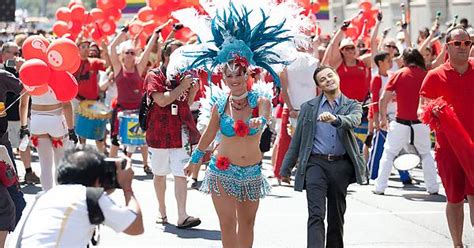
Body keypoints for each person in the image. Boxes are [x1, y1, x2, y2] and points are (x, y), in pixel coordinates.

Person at [180, 2, 300, 246]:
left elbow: (265, 118)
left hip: (252, 172)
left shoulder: (261, 100)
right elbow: (208, 136)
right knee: (227, 224)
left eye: (239, 74)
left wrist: (261, 121)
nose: (234, 79)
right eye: (229, 75)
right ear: (223, 77)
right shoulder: (220, 104)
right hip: (222, 171)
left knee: (247, 224)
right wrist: (194, 162)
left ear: (248, 74)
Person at [280, 65, 366, 247]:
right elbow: (298, 140)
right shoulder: (309, 107)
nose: (328, 80)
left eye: (330, 76)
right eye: (322, 79)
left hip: (341, 166)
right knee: (316, 214)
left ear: (337, 76)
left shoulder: (353, 105)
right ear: (319, 86)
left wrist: (336, 120)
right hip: (315, 165)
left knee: (336, 217)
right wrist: (286, 168)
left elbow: (354, 121)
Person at [18, 146, 143, 247]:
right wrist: (127, 187)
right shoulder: (87, 197)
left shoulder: (45, 197)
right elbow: (135, 227)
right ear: (97, 180)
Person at [419, 27, 473, 247]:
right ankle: (458, 244)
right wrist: (432, 112)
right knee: (454, 199)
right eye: (457, 43)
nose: (463, 47)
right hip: (449, 149)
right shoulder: (434, 76)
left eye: (467, 43)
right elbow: (420, 110)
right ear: (448, 46)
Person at [144, 39, 202, 228]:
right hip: (159, 134)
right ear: (167, 56)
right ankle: (162, 211)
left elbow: (186, 101)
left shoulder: (184, 76)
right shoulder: (154, 75)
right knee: (160, 174)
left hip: (180, 131)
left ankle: (182, 215)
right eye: (178, 54)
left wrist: (193, 89)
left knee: (180, 173)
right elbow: (161, 100)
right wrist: (183, 87)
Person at [373, 48, 439, 195]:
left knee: (389, 154)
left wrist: (383, 118)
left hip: (401, 122)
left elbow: (384, 98)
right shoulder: (426, 75)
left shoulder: (398, 74)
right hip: (421, 122)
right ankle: (433, 187)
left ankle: (379, 187)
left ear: (405, 60)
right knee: (426, 154)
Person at [108, 23, 168, 172]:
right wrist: (122, 34)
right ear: (122, 55)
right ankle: (110, 169)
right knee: (115, 141)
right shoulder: (118, 68)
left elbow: (147, 51)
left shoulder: (138, 67)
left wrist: (155, 34)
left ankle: (145, 164)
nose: (130, 55)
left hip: (137, 109)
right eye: (127, 52)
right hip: (121, 109)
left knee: (143, 140)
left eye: (132, 53)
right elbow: (111, 49)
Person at [273, 41, 320, 184]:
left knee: (303, 143)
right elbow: (284, 90)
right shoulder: (286, 65)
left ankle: (295, 173)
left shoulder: (313, 62)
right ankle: (283, 173)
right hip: (295, 108)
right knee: (288, 142)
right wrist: (290, 107)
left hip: (304, 108)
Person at [20, 79, 78, 191]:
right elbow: (66, 105)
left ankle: (47, 194)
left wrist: (24, 127)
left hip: (37, 121)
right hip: (56, 121)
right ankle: (59, 193)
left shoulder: (30, 77)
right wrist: (71, 129)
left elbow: (23, 105)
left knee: (44, 164)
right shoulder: (58, 78)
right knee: (60, 162)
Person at [367, 51, 412, 184]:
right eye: (388, 60)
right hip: (383, 118)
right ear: (380, 63)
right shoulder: (377, 79)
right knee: (379, 148)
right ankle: (372, 174)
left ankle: (404, 175)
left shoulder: (392, 76)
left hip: (395, 118)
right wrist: (377, 120)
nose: (391, 62)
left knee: (396, 147)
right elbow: (375, 101)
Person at [1, 42, 39, 184]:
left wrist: (22, 69)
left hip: (20, 116)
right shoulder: (2, 72)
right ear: (4, 54)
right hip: (5, 117)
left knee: (23, 145)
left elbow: (29, 89)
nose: (17, 56)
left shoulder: (22, 70)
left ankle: (28, 172)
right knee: (6, 149)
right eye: (14, 53)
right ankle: (11, 176)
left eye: (19, 53)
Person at [0, 68, 26, 248]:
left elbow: (26, 89)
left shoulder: (2, 76)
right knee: (8, 206)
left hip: (2, 149)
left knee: (15, 202)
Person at [72, 39, 109, 153]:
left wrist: (106, 51)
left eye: (87, 46)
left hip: (93, 101)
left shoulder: (94, 62)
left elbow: (107, 65)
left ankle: (101, 155)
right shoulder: (73, 63)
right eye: (83, 46)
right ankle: (82, 151)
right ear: (77, 48)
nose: (86, 48)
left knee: (98, 130)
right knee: (80, 129)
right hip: (77, 100)